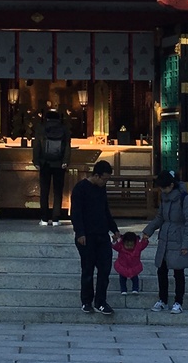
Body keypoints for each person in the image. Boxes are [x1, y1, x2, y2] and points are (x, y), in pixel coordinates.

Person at [70, 160, 120, 315]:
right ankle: (86, 301)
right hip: (86, 236)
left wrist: (114, 229)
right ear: (96, 175)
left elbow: (105, 210)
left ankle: (101, 301)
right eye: (104, 179)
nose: (105, 182)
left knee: (105, 269)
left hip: (102, 234)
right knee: (88, 269)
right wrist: (80, 233)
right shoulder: (80, 189)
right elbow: (76, 213)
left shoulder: (101, 188)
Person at [144, 170, 188, 315]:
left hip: (178, 237)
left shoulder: (185, 199)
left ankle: (178, 301)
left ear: (171, 185)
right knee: (161, 270)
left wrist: (187, 243)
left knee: (178, 271)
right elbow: (160, 217)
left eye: (164, 187)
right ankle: (163, 300)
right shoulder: (164, 198)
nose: (162, 190)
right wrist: (149, 230)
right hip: (165, 237)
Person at [33, 108, 71, 226]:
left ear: (47, 118)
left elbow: (37, 146)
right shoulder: (64, 129)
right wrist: (65, 161)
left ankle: (44, 219)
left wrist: (36, 161)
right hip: (59, 164)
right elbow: (67, 146)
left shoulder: (41, 128)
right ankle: (56, 219)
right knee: (57, 191)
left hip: (45, 163)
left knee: (44, 191)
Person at [113, 231, 149, 295]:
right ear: (123, 242)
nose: (129, 247)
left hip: (134, 267)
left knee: (135, 278)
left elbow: (143, 244)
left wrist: (145, 239)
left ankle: (135, 289)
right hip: (122, 266)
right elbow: (115, 246)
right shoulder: (120, 246)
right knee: (122, 278)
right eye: (127, 245)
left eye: (131, 245)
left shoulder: (138, 247)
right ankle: (123, 290)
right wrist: (115, 240)